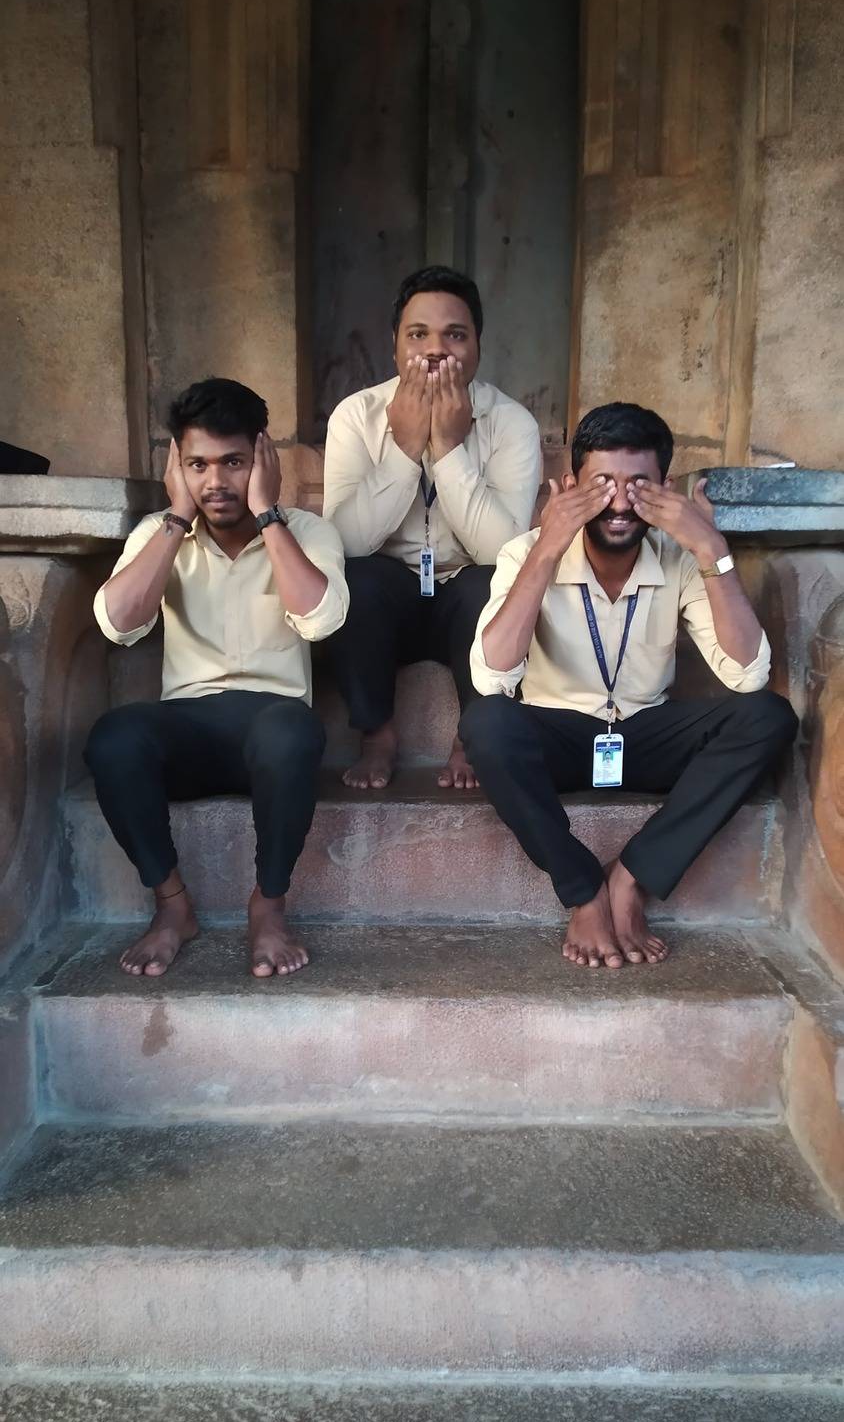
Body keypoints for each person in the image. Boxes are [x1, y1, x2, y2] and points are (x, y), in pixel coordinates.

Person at [460, 401, 797, 970]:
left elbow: (747, 673)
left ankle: (632, 876)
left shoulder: (682, 558)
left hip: (643, 734)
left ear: (666, 488)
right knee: (486, 722)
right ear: (569, 486)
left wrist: (712, 550)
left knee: (768, 717)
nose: (619, 503)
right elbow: (492, 676)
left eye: (639, 484)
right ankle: (583, 890)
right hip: (557, 737)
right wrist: (547, 548)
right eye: (601, 484)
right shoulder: (524, 552)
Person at [84, 377, 348, 979]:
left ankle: (268, 907)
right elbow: (118, 624)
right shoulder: (160, 533)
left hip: (273, 731)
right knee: (113, 739)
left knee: (291, 732)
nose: (215, 482)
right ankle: (172, 906)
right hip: (188, 725)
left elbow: (320, 619)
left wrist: (269, 514)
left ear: (263, 460)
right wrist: (178, 517)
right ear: (177, 465)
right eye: (197, 464)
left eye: (233, 462)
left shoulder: (307, 532)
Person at [322, 265, 542, 790]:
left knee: (494, 582)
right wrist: (403, 447)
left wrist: (447, 448)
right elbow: (342, 544)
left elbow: (504, 550)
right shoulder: (357, 415)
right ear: (395, 345)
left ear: (478, 345)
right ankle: (377, 735)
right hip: (388, 601)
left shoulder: (511, 423)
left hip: (465, 598)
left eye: (455, 335)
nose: (436, 350)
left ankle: (470, 736)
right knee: (352, 579)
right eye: (418, 334)